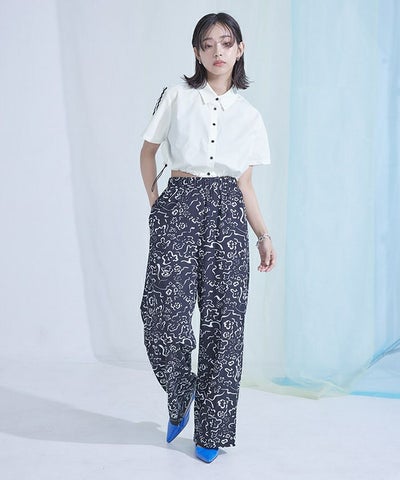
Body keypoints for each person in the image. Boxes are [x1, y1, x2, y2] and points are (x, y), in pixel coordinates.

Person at [139, 12, 276, 463]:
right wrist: (157, 203)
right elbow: (148, 152)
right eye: (208, 44)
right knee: (162, 315)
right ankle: (182, 391)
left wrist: (263, 234)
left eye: (226, 42)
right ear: (197, 53)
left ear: (240, 50)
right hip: (179, 204)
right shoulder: (177, 97)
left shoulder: (250, 116)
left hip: (228, 214)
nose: (218, 51)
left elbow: (245, 184)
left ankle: (211, 431)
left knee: (225, 324)